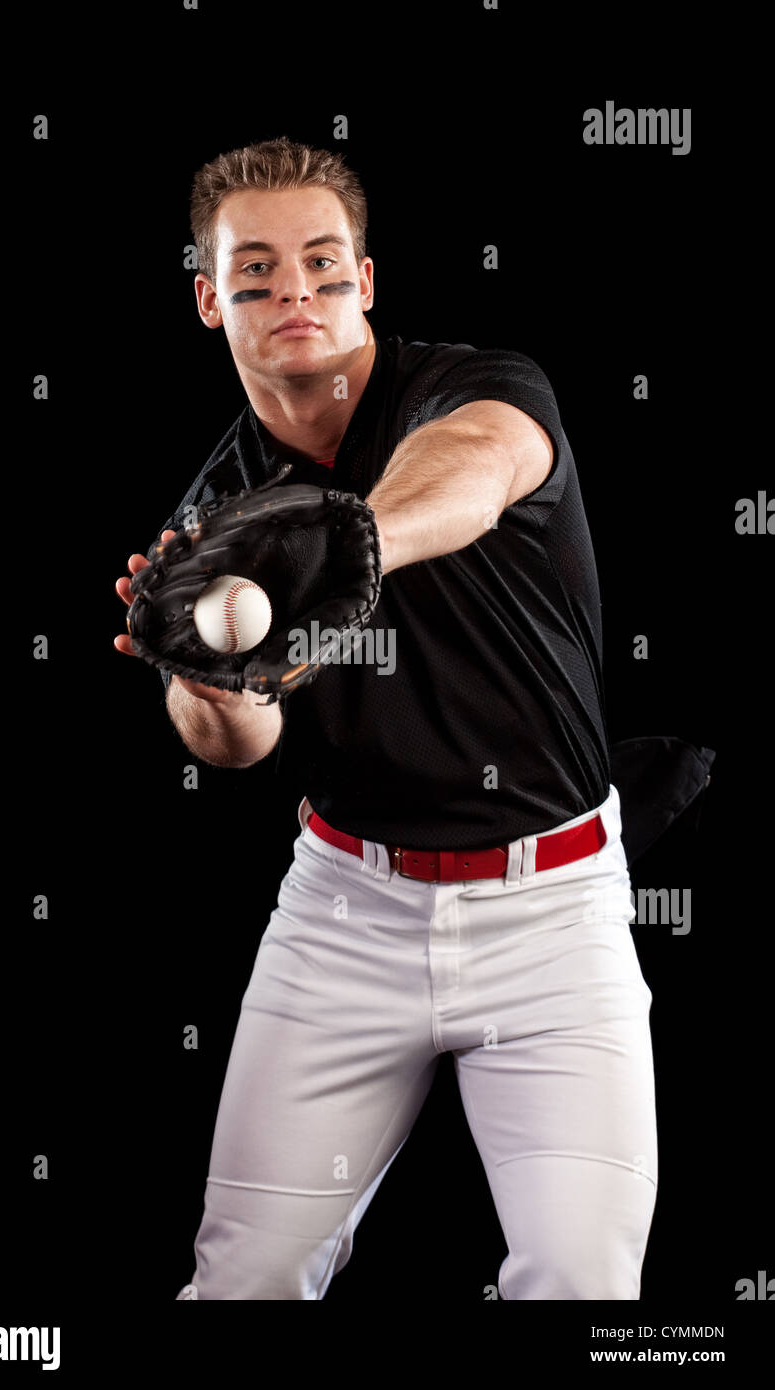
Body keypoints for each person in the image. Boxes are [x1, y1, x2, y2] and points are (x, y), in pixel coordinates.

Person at [114, 136, 658, 1300]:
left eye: (321, 262)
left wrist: (348, 544)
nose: (293, 292)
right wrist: (215, 688)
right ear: (211, 301)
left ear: (365, 278)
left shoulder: (477, 386)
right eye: (253, 272)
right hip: (346, 914)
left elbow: (470, 469)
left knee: (580, 1279)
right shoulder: (217, 517)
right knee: (241, 1280)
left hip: (550, 912)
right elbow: (235, 745)